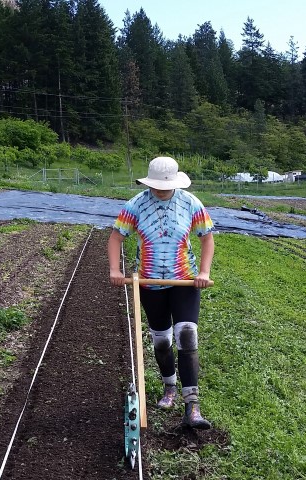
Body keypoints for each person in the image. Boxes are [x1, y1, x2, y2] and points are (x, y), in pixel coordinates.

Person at [107, 156, 215, 429]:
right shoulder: (136, 204)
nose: (162, 191)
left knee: (187, 335)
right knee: (162, 342)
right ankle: (169, 388)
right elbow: (116, 237)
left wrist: (203, 273)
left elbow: (207, 238)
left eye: (166, 187)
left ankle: (193, 406)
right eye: (157, 186)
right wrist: (115, 270)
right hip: (150, 283)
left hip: (185, 282)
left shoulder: (191, 203)